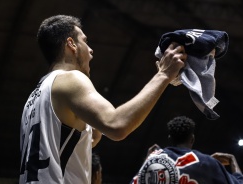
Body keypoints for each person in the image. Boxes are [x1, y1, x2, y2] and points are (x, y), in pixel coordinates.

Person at [19, 15, 186, 184]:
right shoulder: (70, 79)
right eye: (85, 41)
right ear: (71, 44)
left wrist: (94, 127)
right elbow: (117, 125)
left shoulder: (35, 97)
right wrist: (163, 75)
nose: (90, 50)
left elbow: (80, 143)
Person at [131, 116, 243, 184]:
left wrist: (147, 161)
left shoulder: (154, 160)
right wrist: (232, 160)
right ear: (192, 139)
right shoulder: (206, 162)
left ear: (170, 138)